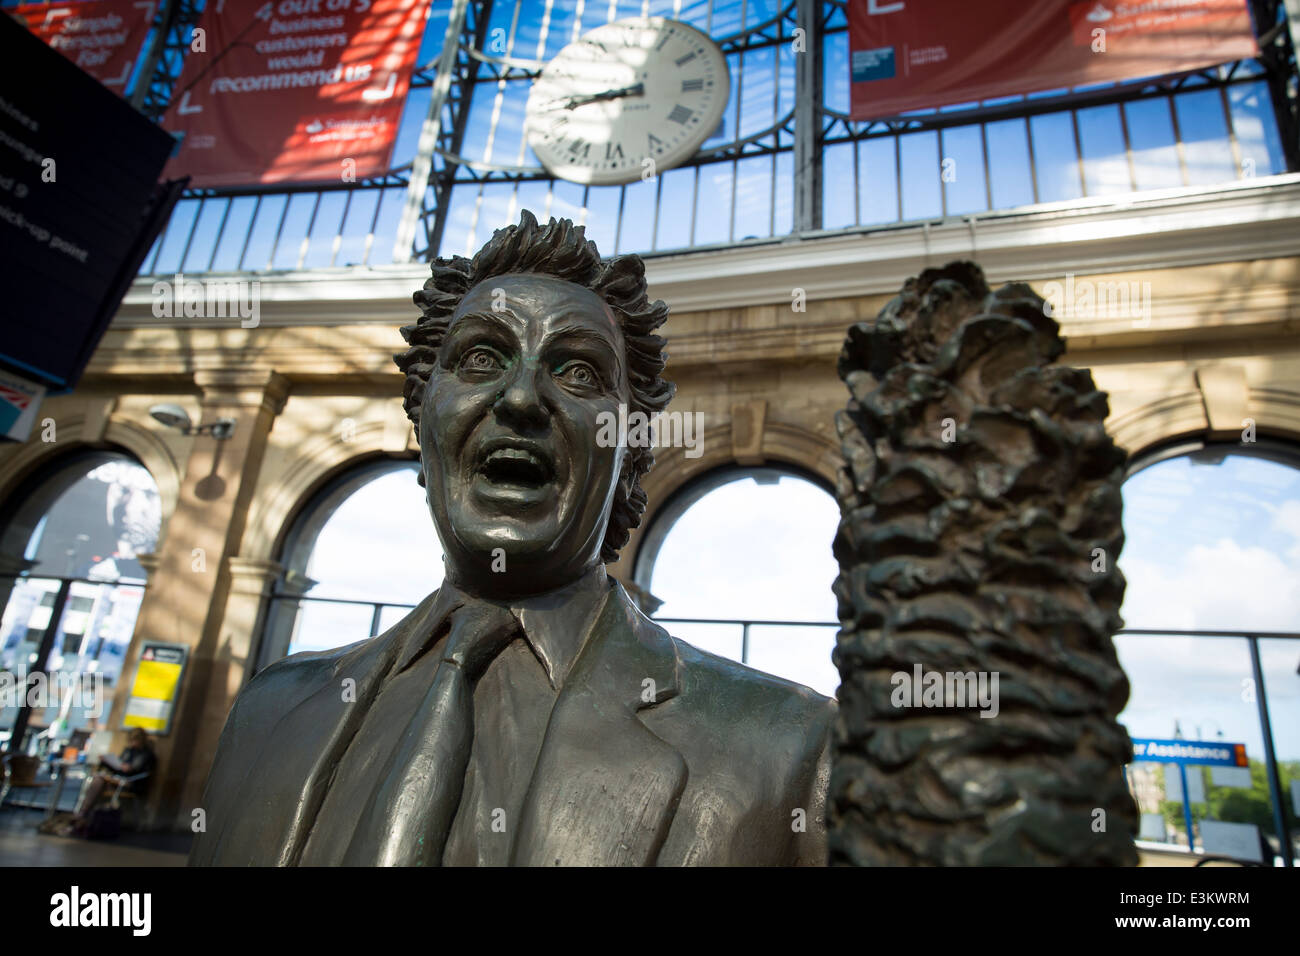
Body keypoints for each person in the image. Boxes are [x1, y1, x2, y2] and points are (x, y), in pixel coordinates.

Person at [190, 211, 835, 866]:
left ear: (629, 451)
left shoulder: (787, 749)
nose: (522, 398)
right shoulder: (269, 712)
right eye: (479, 358)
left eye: (579, 372)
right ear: (424, 419)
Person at [69, 728, 155, 830]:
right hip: (118, 779)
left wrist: (129, 768)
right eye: (131, 740)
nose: (132, 743)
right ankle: (84, 813)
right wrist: (106, 762)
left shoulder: (146, 754)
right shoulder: (128, 751)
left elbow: (138, 770)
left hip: (132, 782)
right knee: (98, 779)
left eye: (135, 740)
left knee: (99, 781)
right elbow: (118, 767)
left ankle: (83, 813)